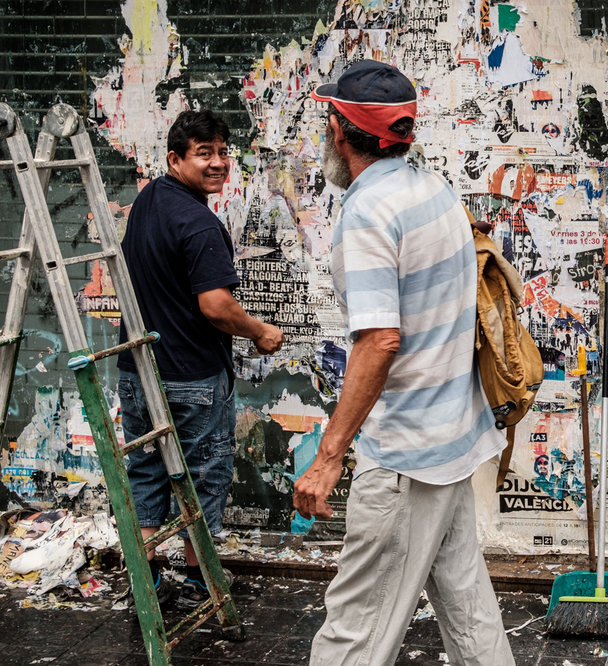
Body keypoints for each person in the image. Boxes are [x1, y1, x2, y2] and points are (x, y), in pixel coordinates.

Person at [293, 60, 514, 666]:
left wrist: (329, 455)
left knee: (355, 633)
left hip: (406, 458)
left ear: (341, 129)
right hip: (451, 440)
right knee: (469, 611)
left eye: (328, 120)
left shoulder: (367, 214)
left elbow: (379, 342)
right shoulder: (433, 189)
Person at [117, 110, 285, 607]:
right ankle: (196, 582)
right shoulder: (200, 223)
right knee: (204, 475)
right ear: (175, 158)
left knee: (146, 470)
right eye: (203, 153)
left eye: (222, 152)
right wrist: (260, 331)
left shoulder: (149, 200)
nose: (218, 163)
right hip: (191, 376)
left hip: (137, 369)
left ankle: (145, 580)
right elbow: (215, 306)